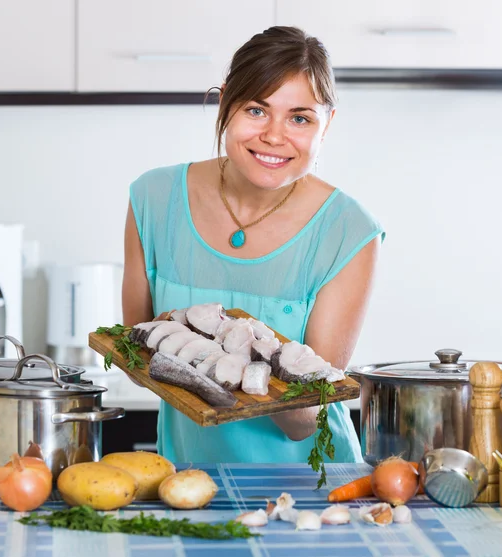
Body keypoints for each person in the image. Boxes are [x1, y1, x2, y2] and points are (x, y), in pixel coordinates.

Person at [122, 26, 384, 463]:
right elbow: (136, 356)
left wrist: (245, 351)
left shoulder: (349, 230)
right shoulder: (153, 198)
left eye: (300, 118)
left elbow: (305, 421)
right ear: (226, 103)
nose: (275, 136)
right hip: (190, 478)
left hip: (310, 489)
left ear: (327, 124)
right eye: (257, 110)